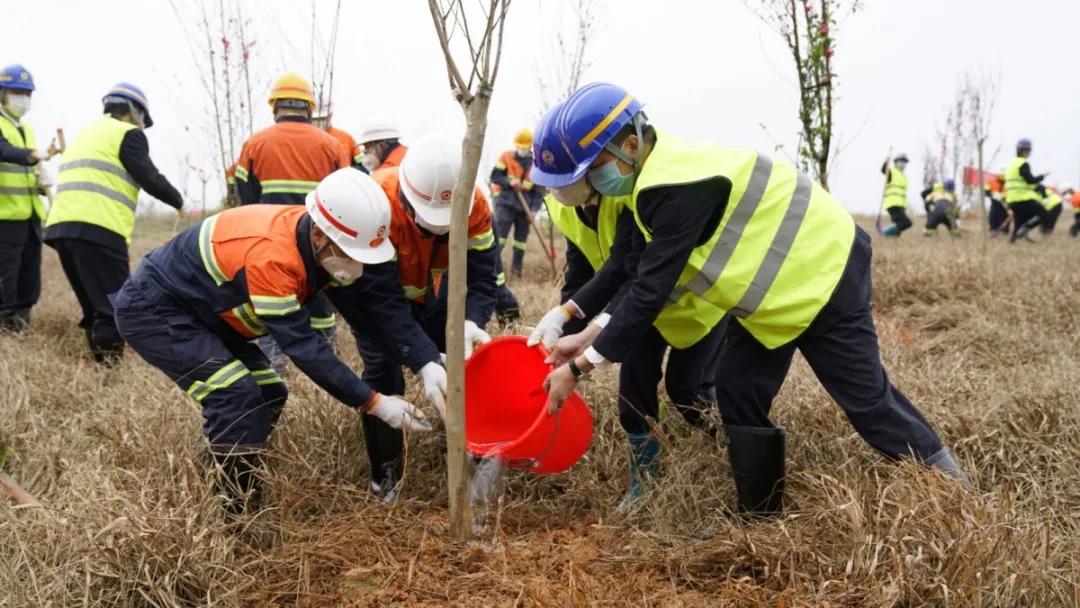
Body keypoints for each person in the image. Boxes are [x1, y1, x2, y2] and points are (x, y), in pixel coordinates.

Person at [530, 83, 967, 516]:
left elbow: (648, 292)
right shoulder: (651, 181)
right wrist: (575, 325)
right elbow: (632, 272)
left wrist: (579, 365)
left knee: (866, 399)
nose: (593, 182)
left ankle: (954, 492)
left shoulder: (671, 186)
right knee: (738, 389)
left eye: (596, 168)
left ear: (630, 143)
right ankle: (759, 517)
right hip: (771, 303)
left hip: (825, 272)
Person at [112, 169, 439, 514]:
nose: (355, 263)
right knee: (234, 393)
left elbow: (371, 312)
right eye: (350, 252)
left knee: (269, 391)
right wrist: (374, 403)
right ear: (318, 234)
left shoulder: (320, 246)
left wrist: (424, 359)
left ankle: (229, 463)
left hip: (206, 314)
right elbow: (304, 348)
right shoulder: (273, 259)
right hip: (156, 309)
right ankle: (237, 517)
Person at [533, 175, 725, 509]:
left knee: (687, 390)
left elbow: (629, 273)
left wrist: (587, 343)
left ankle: (724, 447)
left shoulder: (628, 198)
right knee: (634, 390)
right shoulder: (565, 208)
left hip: (687, 304)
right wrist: (563, 320)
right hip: (636, 306)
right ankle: (645, 484)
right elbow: (582, 271)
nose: (556, 190)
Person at [347, 132, 496, 499]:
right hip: (379, 301)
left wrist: (471, 321)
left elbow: (482, 277)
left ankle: (473, 458)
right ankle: (386, 477)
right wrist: (424, 361)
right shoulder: (377, 202)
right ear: (408, 199)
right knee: (384, 372)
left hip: (432, 295)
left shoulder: (474, 204)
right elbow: (382, 301)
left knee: (462, 364)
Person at [44, 82, 183, 363]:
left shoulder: (86, 134)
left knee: (94, 304)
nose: (142, 125)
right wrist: (178, 201)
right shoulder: (127, 134)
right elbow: (149, 176)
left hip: (62, 228)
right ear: (134, 112)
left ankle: (99, 365)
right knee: (115, 307)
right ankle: (109, 369)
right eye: (143, 119)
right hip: (99, 228)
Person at [234, 72, 350, 368]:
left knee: (272, 310)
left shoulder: (254, 145)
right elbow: (346, 197)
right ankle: (329, 368)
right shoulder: (331, 146)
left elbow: (244, 201)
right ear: (309, 108)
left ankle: (274, 370)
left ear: (275, 106)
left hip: (268, 245)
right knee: (322, 309)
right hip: (319, 244)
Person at [0, 64, 47, 331]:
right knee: (6, 271)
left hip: (29, 214)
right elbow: (3, 150)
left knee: (29, 270)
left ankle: (22, 316)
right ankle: (5, 321)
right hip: (5, 215)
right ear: (2, 94)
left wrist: (40, 182)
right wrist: (29, 155)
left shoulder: (26, 128)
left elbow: (27, 168)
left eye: (27, 93)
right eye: (16, 92)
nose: (22, 98)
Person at [490, 129, 545, 279]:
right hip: (505, 204)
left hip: (524, 209)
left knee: (520, 244)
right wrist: (509, 181)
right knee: (499, 240)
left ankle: (516, 274)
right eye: (519, 146)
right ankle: (491, 272)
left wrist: (534, 210)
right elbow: (495, 177)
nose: (521, 149)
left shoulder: (536, 166)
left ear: (530, 147)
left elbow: (539, 192)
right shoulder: (506, 157)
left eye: (525, 147)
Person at [1004, 138, 1048, 243]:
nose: (1029, 153)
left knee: (1019, 221)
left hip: (1011, 199)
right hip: (1022, 198)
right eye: (1029, 151)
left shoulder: (1011, 164)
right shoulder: (1023, 163)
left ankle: (1012, 240)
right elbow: (1030, 180)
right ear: (1025, 150)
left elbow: (1019, 182)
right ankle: (1025, 229)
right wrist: (1042, 176)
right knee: (1043, 213)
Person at [313, 106, 365, 170]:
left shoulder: (346, 138)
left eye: (323, 118)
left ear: (330, 115)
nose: (319, 122)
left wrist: (348, 174)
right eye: (315, 119)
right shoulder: (305, 137)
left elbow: (362, 164)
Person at [880, 153, 912, 237]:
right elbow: (884, 170)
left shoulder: (903, 176)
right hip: (892, 203)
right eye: (901, 162)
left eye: (904, 162)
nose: (903, 164)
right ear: (896, 162)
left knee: (898, 225)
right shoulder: (892, 172)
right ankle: (885, 233)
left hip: (900, 204)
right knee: (906, 223)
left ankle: (892, 237)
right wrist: (886, 161)